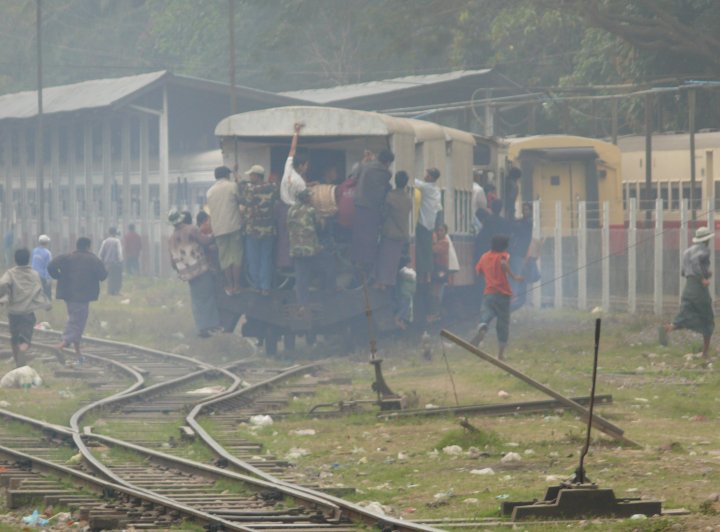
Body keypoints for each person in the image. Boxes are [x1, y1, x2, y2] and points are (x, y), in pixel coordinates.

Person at [660, 227, 715, 358]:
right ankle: (705, 352)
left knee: (686, 313)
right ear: (706, 239)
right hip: (698, 287)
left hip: (688, 287)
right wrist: (703, 278)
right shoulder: (704, 250)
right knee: (707, 317)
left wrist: (704, 274)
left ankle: (667, 329)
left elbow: (684, 272)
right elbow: (696, 264)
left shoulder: (687, 251)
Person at [48, 237, 107, 356]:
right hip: (82, 296)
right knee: (77, 320)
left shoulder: (67, 257)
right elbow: (103, 275)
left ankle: (77, 351)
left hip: (68, 294)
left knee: (75, 317)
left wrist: (59, 277)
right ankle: (63, 344)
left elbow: (51, 266)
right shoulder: (93, 259)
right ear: (88, 246)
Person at [168, 209, 221, 338]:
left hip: (188, 274)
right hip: (201, 269)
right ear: (181, 219)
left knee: (197, 299)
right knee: (208, 296)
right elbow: (206, 242)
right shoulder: (191, 229)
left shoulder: (171, 239)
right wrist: (216, 234)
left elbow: (173, 263)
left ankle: (201, 327)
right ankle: (210, 326)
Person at [472, 234, 524, 360]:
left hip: (489, 292)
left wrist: (487, 276)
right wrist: (514, 276)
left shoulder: (484, 257)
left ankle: (483, 326)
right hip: (503, 294)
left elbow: (478, 271)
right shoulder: (502, 255)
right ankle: (500, 354)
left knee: (487, 313)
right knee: (503, 323)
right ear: (504, 247)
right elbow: (503, 263)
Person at [0, 248, 52, 367]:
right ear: (28, 259)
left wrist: (5, 295)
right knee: (26, 336)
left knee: (14, 336)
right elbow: (39, 290)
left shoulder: (10, 273)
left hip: (13, 311)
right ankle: (23, 350)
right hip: (28, 312)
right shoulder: (34, 274)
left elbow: (3, 283)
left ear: (15, 259)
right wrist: (46, 304)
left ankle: (17, 358)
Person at [288, 188, 335, 311]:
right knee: (330, 260)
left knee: (301, 278)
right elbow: (320, 227)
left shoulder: (291, 210)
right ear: (307, 199)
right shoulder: (311, 210)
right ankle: (330, 289)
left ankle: (302, 304)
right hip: (311, 249)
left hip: (296, 249)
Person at [351, 149, 394, 274]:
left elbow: (353, 176)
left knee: (358, 235)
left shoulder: (365, 166)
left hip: (359, 205)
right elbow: (386, 190)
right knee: (370, 238)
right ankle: (367, 264)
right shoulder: (385, 173)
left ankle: (356, 260)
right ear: (387, 162)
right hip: (373, 208)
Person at [206, 166, 244, 295]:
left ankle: (229, 286)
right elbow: (241, 200)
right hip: (234, 227)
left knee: (225, 259)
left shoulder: (210, 191)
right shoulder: (232, 186)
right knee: (236, 257)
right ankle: (237, 285)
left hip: (218, 230)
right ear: (227, 175)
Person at [276, 122, 309, 272]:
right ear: (301, 166)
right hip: (293, 212)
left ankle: (283, 266)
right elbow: (305, 199)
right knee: (294, 240)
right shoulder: (300, 182)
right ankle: (294, 268)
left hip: (282, 208)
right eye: (306, 165)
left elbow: (292, 149)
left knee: (283, 239)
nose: (307, 167)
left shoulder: (288, 168)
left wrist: (296, 132)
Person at [243, 164, 278, 295]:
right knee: (266, 259)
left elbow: (245, 201)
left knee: (253, 259)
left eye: (251, 175)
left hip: (253, 230)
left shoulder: (250, 189)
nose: (250, 177)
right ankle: (265, 287)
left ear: (257, 176)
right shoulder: (272, 187)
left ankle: (256, 286)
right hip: (268, 229)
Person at [375, 170, 412, 289]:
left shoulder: (390, 196)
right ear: (406, 183)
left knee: (384, 258)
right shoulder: (408, 198)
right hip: (402, 234)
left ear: (395, 181)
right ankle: (389, 282)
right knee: (394, 261)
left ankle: (381, 283)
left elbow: (384, 213)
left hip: (389, 233)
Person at [414, 168, 442, 284]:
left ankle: (422, 275)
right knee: (427, 251)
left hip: (423, 223)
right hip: (431, 223)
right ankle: (428, 276)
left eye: (427, 174)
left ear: (431, 177)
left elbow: (413, 181)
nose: (425, 175)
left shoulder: (426, 187)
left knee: (421, 251)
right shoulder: (436, 189)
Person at [510, 202, 534, 311]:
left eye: (527, 210)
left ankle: (514, 298)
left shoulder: (528, 222)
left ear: (531, 211)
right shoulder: (523, 222)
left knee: (516, 275)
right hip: (520, 253)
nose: (525, 212)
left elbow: (519, 228)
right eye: (524, 209)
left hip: (520, 253)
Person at [428, 224, 450, 322]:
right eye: (438, 230)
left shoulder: (445, 242)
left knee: (438, 291)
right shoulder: (441, 242)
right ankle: (435, 313)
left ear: (445, 232)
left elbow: (434, 249)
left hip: (441, 269)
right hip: (438, 269)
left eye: (441, 230)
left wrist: (434, 241)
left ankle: (436, 313)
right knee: (435, 291)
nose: (439, 232)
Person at [98, 227, 123, 295]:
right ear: (115, 233)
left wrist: (101, 262)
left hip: (107, 264)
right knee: (116, 278)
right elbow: (119, 252)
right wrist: (120, 261)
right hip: (115, 263)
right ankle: (116, 291)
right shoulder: (117, 241)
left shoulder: (105, 241)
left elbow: (101, 253)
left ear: (109, 233)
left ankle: (110, 291)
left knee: (110, 277)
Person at [395, 256, 416, 330]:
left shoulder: (404, 272)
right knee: (404, 308)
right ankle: (398, 321)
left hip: (407, 294)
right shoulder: (405, 272)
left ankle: (401, 322)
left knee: (405, 308)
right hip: (405, 294)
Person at [31, 234, 53, 300]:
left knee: (35, 292)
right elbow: (48, 266)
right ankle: (48, 304)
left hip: (33, 274)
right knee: (46, 292)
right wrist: (48, 278)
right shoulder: (47, 253)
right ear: (47, 243)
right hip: (42, 276)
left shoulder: (34, 251)